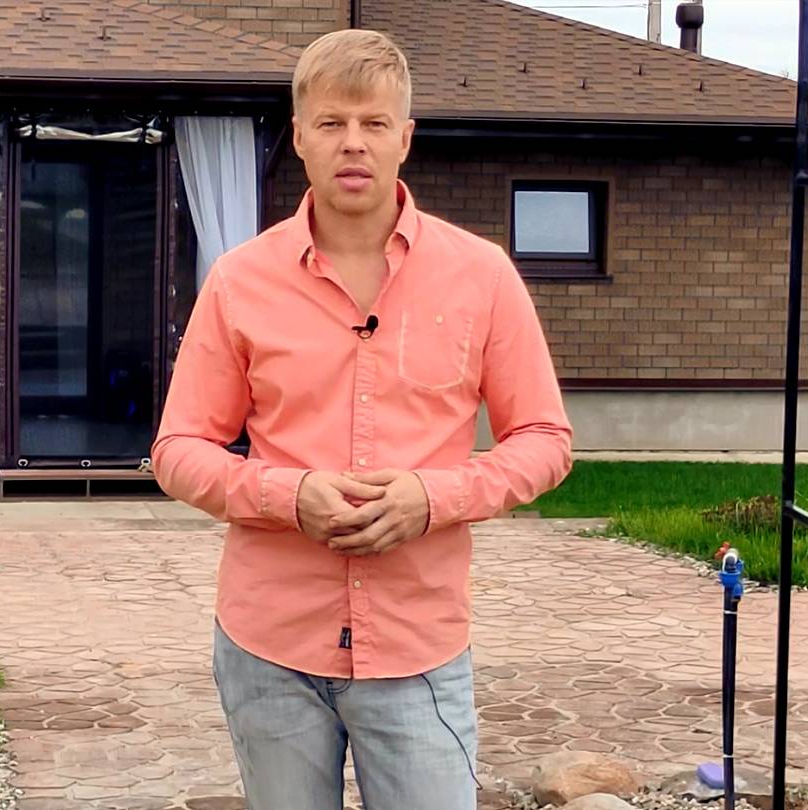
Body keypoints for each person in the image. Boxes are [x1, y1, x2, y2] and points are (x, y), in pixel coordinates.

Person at [151, 27, 573, 810]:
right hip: (270, 646)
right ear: (300, 137)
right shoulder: (240, 282)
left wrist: (433, 497)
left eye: (374, 123)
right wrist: (288, 494)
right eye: (332, 122)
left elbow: (545, 440)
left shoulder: (481, 276)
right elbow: (178, 449)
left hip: (418, 646)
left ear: (404, 138)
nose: (354, 142)